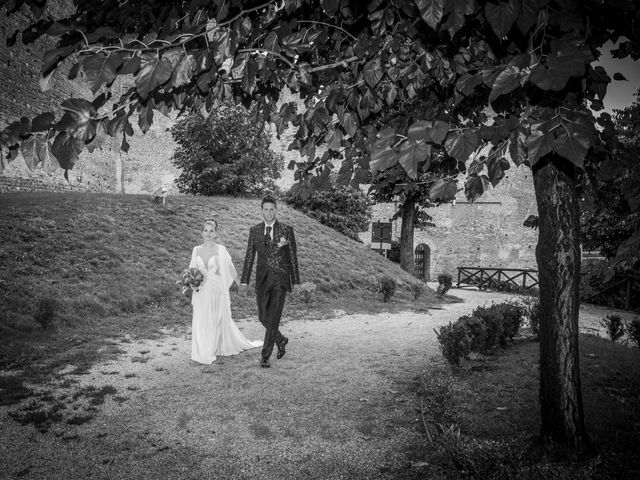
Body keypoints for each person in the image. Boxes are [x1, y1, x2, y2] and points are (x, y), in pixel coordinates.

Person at [189, 218, 262, 365]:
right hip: (201, 290)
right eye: (205, 230)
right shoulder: (196, 250)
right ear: (202, 232)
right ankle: (202, 348)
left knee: (214, 319)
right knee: (202, 319)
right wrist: (192, 284)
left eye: (211, 231)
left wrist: (241, 284)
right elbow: (192, 270)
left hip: (216, 290)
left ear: (216, 233)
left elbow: (230, 269)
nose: (208, 233)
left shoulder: (220, 250)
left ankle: (211, 349)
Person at [240, 195, 300, 368]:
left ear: (276, 210)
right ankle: (281, 340)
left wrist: (295, 281)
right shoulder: (255, 230)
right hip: (262, 279)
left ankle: (265, 356)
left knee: (273, 318)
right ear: (262, 211)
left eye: (272, 209)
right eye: (265, 209)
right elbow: (249, 256)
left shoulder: (286, 230)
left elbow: (293, 257)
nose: (269, 212)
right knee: (263, 317)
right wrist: (244, 281)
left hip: (280, 279)